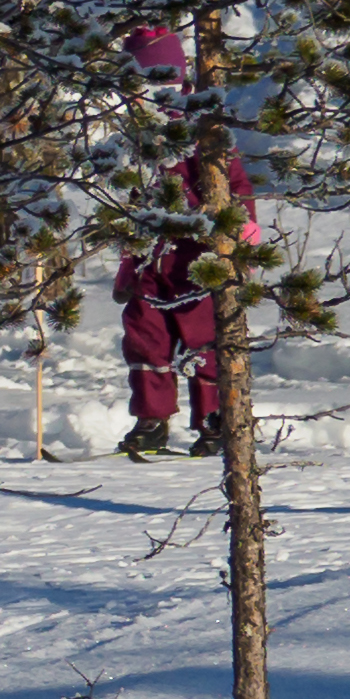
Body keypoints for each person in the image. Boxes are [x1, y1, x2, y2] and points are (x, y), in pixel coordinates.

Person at [113, 26, 261, 460]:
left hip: (198, 256)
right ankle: (151, 419)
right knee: (144, 335)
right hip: (150, 259)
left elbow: (235, 185)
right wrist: (127, 261)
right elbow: (127, 201)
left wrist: (241, 237)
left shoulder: (199, 127)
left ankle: (215, 418)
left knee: (203, 339)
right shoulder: (132, 134)